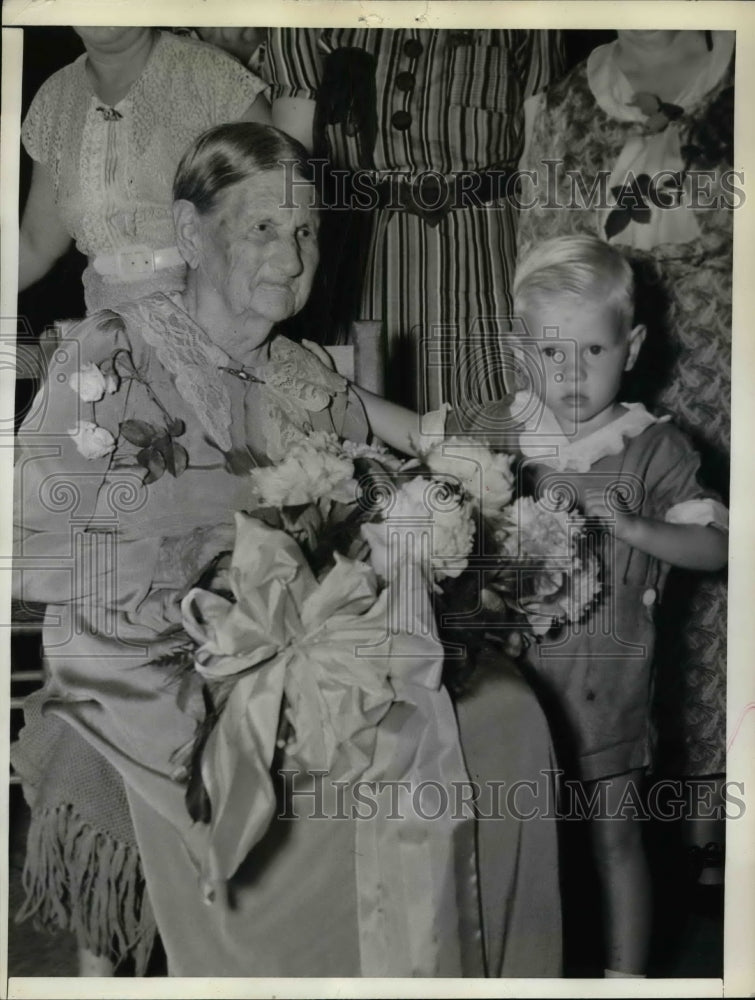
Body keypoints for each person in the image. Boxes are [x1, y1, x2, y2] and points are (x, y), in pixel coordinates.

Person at [12, 122, 561, 977]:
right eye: (263, 226)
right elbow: (41, 548)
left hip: (284, 633)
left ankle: (423, 956)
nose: (291, 251)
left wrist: (491, 466)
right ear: (191, 233)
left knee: (496, 709)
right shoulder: (108, 353)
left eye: (305, 230)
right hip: (139, 646)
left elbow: (415, 436)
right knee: (355, 736)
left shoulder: (294, 370)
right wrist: (211, 585)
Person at [517, 29, 734, 881]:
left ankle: (708, 825)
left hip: (724, 379)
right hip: (594, 385)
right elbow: (539, 259)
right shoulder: (576, 95)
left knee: (701, 618)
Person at [498, 235, 726, 976]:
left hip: (608, 699)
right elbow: (421, 438)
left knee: (613, 841)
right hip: (514, 695)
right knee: (525, 850)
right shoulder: (505, 436)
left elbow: (719, 546)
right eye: (550, 354)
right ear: (519, 351)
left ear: (629, 348)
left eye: (590, 352)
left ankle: (624, 979)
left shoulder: (652, 448)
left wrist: (638, 528)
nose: (569, 376)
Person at [267, 27, 565, 411]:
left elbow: (542, 159)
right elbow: (293, 168)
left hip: (486, 261)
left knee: (489, 421)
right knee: (356, 423)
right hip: (358, 267)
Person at [19, 26, 269, 315]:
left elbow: (275, 220)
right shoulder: (55, 98)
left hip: (210, 322)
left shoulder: (214, 77)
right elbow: (35, 244)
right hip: (107, 329)